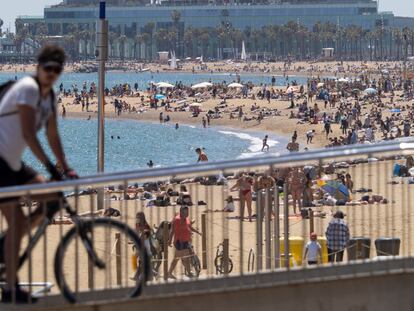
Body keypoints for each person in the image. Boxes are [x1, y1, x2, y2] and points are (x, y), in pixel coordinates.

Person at [0, 45, 78, 303]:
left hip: (11, 163)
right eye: (48, 68)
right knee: (18, 222)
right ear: (39, 67)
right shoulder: (27, 89)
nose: (52, 74)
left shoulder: (49, 97)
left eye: (57, 70)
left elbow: (52, 134)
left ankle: (7, 245)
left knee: (52, 198)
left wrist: (64, 165)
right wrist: (48, 165)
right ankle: (11, 289)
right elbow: (28, 133)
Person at [168, 206, 202, 279]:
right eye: (185, 212)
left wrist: (198, 232)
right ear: (180, 212)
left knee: (182, 258)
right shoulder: (177, 220)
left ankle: (186, 272)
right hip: (179, 242)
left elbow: (189, 227)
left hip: (186, 241)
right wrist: (170, 241)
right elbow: (172, 230)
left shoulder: (186, 219)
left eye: (187, 211)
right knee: (180, 258)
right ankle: (170, 273)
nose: (187, 213)